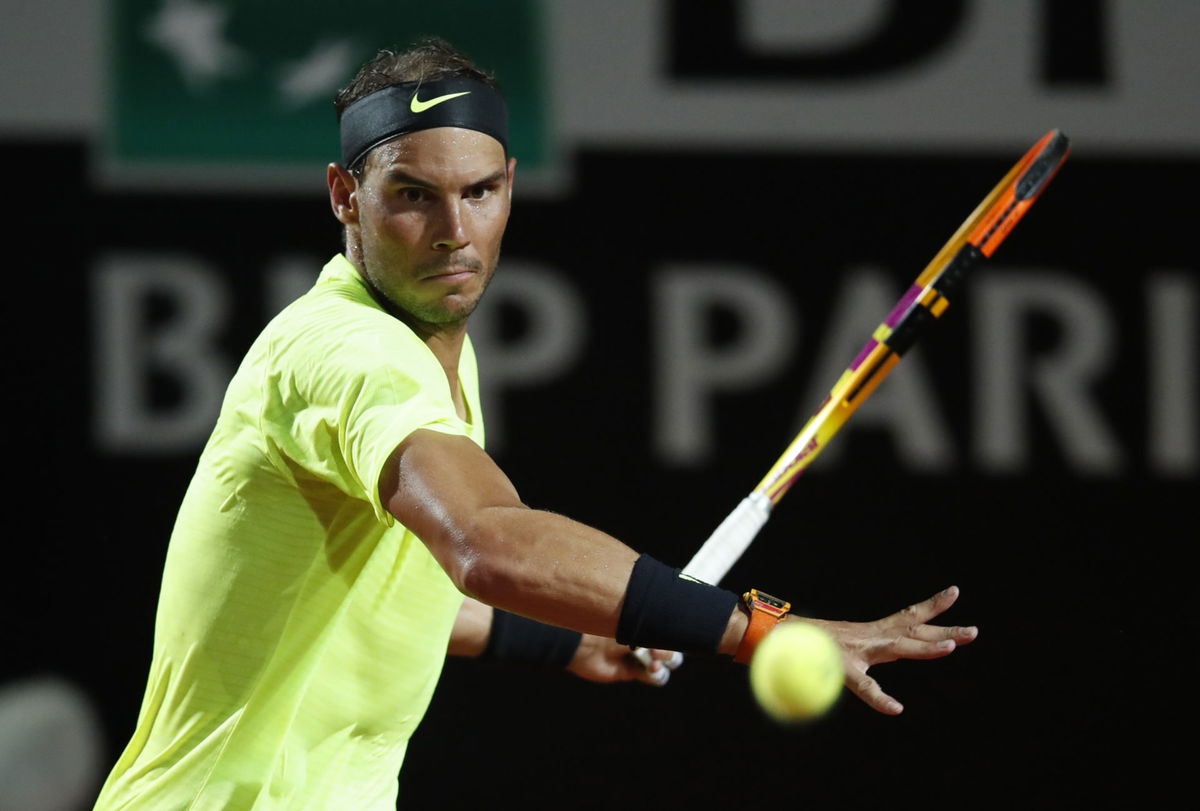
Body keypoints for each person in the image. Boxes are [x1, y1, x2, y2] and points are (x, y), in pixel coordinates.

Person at [94, 38, 978, 810]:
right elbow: (486, 544)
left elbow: (406, 596)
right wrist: (758, 627)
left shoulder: (434, 343)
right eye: (412, 196)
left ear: (510, 187)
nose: (453, 232)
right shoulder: (349, 352)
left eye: (478, 191)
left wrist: (569, 637)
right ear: (344, 195)